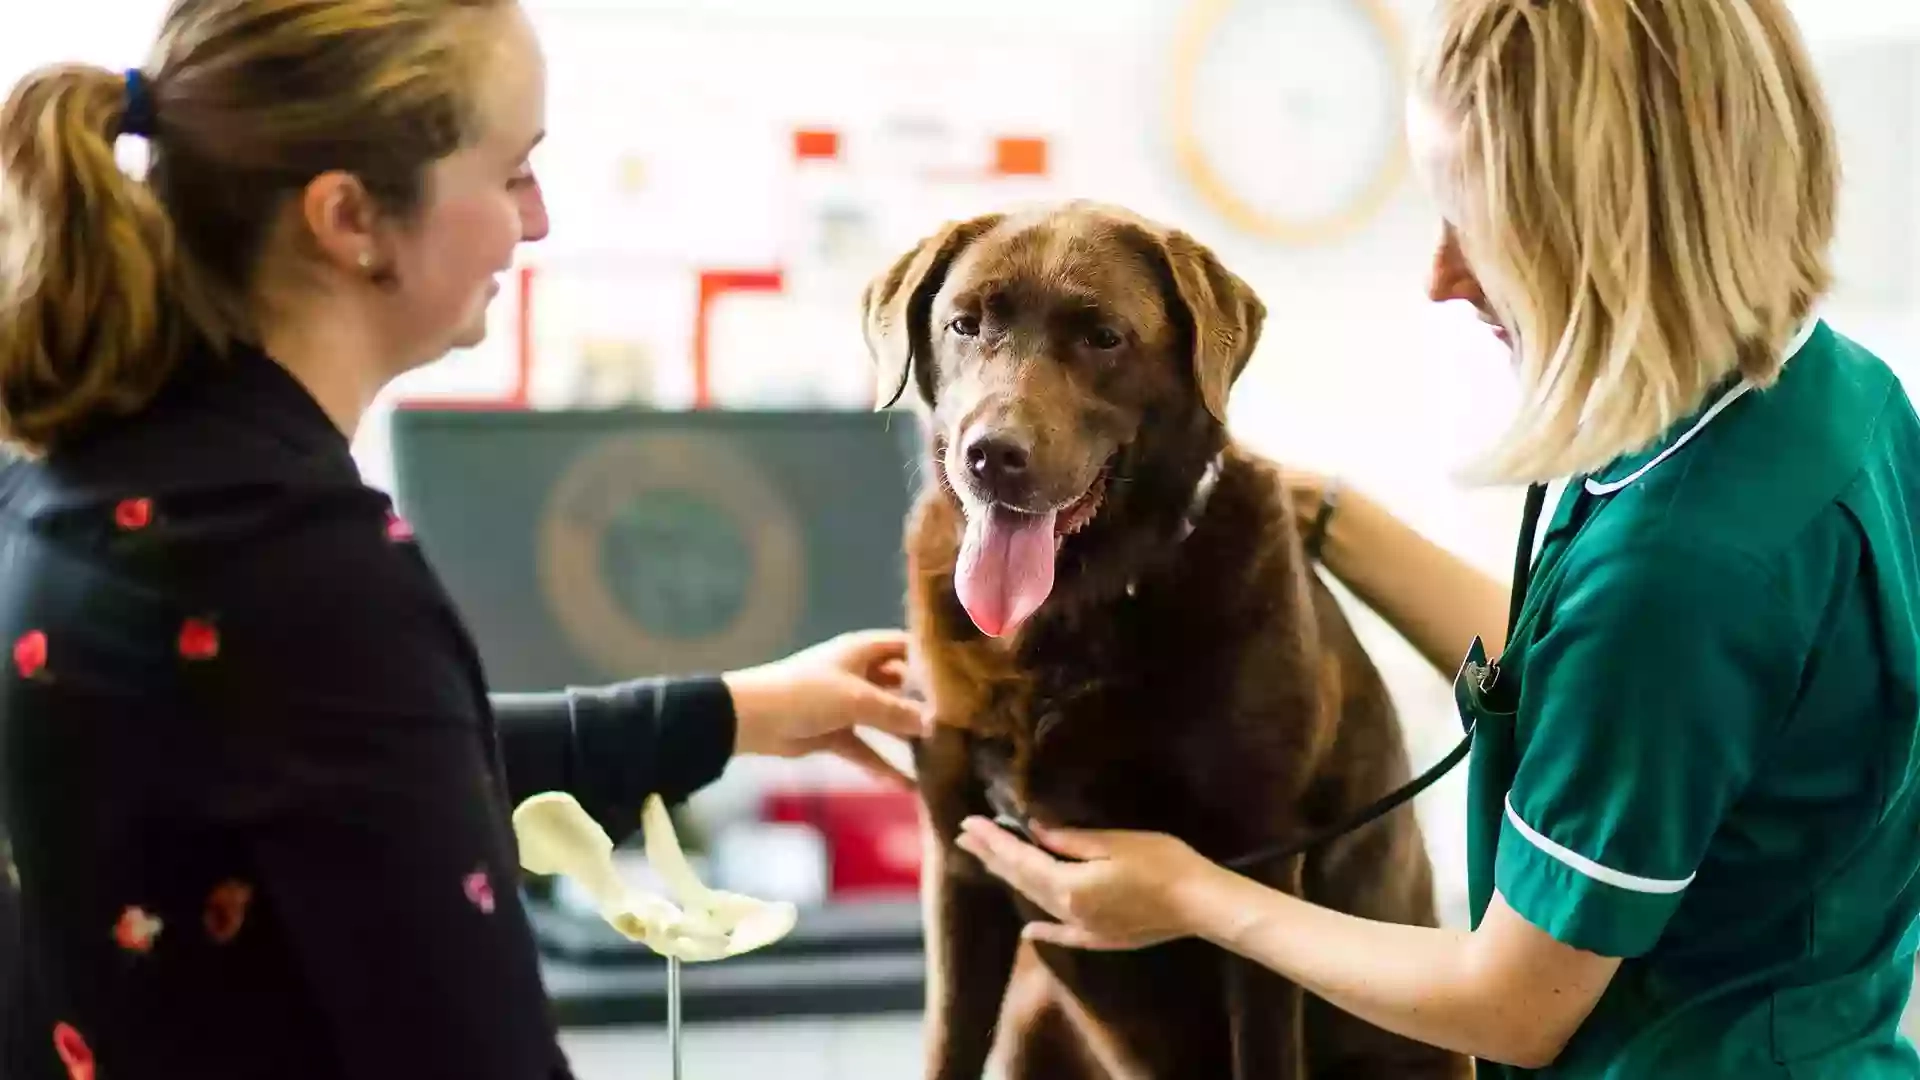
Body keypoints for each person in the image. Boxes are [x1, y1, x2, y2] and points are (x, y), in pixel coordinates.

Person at [956, 1, 1920, 1077]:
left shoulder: (1684, 566)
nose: (1442, 276)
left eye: (1477, 221)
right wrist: (1315, 511)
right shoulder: (1829, 399)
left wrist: (1191, 895)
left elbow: (1512, 1004)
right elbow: (1620, 697)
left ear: (1616, 218)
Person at [0, 2, 925, 1078]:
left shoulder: (88, 479)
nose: (533, 223)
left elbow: (349, 760)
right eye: (511, 173)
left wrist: (732, 717)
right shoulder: (299, 562)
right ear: (350, 218)